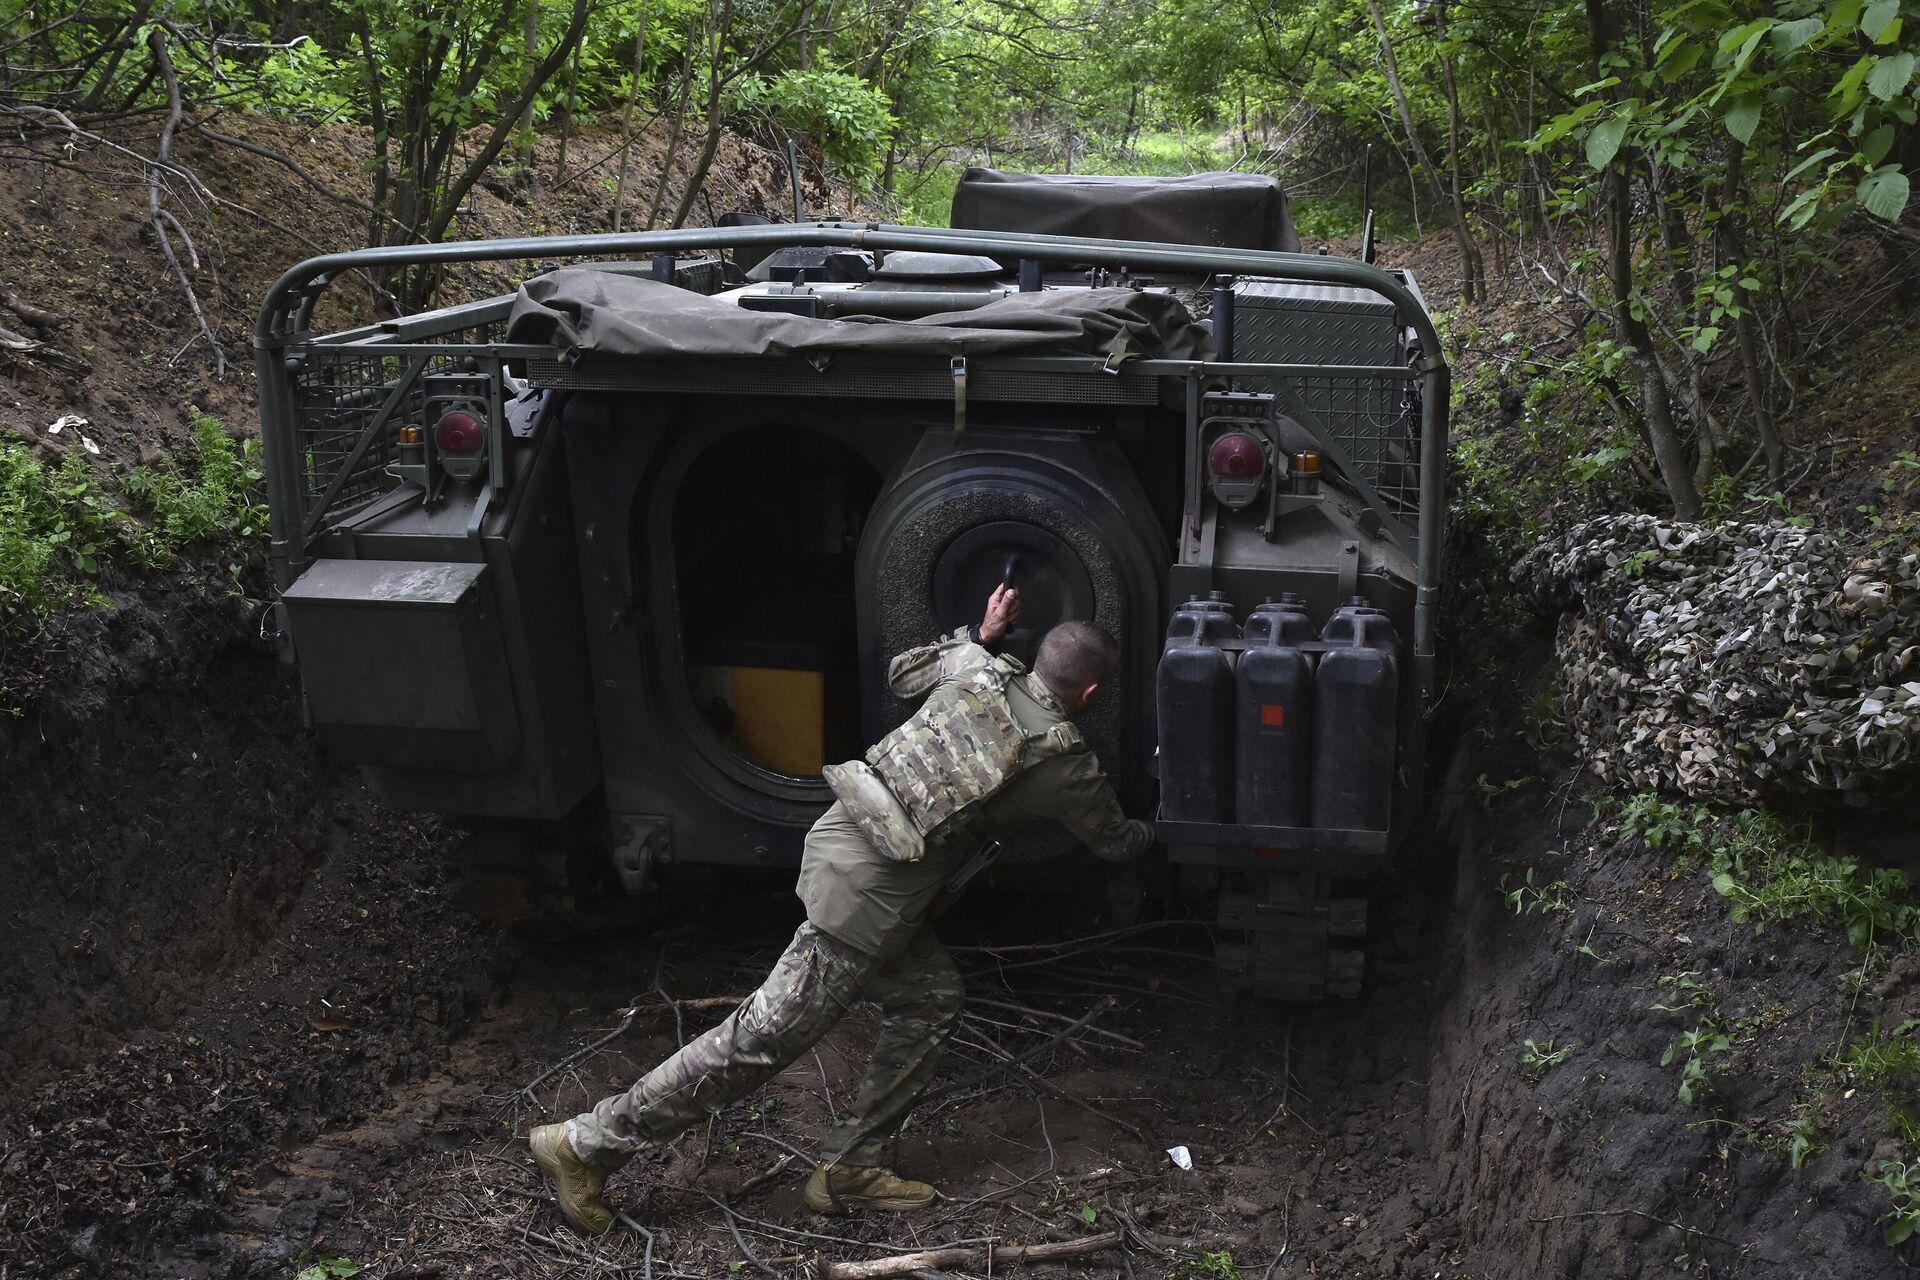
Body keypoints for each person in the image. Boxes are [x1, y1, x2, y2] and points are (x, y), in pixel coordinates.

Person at [530, 585, 1155, 1234]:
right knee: (758, 1043)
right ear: (1088, 695)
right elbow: (1116, 841)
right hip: (866, 908)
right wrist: (1163, 821)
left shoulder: (978, 666)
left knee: (931, 998)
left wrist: (982, 634)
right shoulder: (1063, 762)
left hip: (846, 849)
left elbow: (902, 672)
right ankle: (585, 1146)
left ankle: (852, 1166)